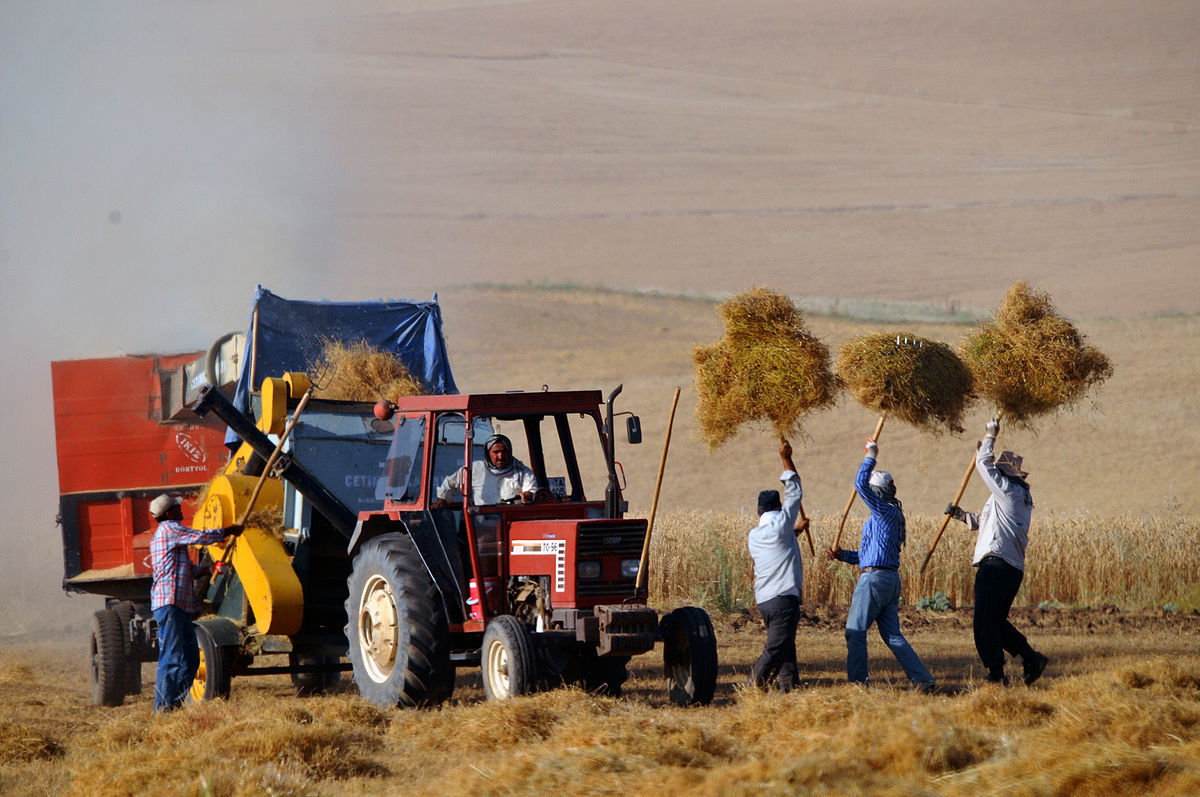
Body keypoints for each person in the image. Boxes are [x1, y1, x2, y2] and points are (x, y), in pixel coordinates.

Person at [945, 417, 1049, 686]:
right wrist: (961, 516)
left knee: (983, 623)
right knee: (995, 621)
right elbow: (986, 521)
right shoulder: (1015, 498)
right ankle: (1030, 658)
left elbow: (983, 465)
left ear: (1005, 474)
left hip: (996, 566)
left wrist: (990, 437)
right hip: (1010, 568)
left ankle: (996, 674)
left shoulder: (1010, 492)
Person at [827, 438, 935, 692]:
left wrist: (870, 456)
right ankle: (922, 679)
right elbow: (868, 558)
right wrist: (843, 555)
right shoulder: (886, 517)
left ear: (877, 493)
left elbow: (858, 485)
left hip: (874, 581)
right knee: (892, 636)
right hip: (886, 579)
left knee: (854, 632)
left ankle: (857, 684)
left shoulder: (884, 512)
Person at [148, 494, 241, 712]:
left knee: (190, 660)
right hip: (169, 603)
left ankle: (174, 706)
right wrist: (229, 531)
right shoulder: (170, 529)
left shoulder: (170, 537)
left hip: (178, 605)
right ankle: (162, 710)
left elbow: (188, 570)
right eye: (177, 507)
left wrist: (209, 570)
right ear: (168, 514)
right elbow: (200, 537)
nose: (181, 510)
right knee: (171, 658)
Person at [746, 439, 807, 692]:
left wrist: (795, 532)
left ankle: (789, 688)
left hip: (765, 601)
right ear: (778, 508)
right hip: (783, 598)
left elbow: (779, 542)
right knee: (776, 647)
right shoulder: (783, 525)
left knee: (785, 645)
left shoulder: (754, 535)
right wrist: (786, 458)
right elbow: (795, 491)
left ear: (759, 512)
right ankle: (751, 687)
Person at [433, 433, 538, 507]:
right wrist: (443, 501)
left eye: (504, 451)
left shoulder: (522, 471)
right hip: (482, 522)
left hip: (513, 519)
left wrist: (528, 495)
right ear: (488, 454)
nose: (501, 456)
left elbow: (531, 490)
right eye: (496, 452)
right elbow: (450, 483)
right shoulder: (475, 469)